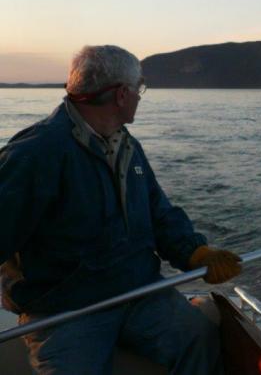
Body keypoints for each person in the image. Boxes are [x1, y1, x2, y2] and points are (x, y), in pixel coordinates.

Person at [0, 45, 242, 374]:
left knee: (199, 338)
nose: (141, 97)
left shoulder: (127, 146)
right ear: (122, 95)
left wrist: (196, 253)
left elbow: (159, 214)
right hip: (66, 311)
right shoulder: (35, 154)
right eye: (139, 88)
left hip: (139, 294)